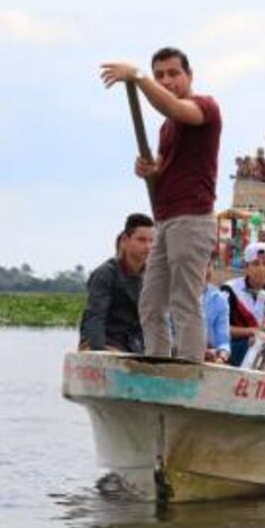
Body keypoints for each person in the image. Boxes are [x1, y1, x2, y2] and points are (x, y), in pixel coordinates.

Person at [101, 47, 221, 363]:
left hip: (193, 218)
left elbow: (173, 106)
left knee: (184, 300)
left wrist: (138, 77)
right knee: (150, 302)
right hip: (166, 220)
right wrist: (150, 170)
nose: (166, 81)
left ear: (189, 76)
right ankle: (157, 362)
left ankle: (190, 368)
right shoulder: (167, 128)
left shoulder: (204, 107)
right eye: (159, 75)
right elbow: (164, 168)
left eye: (173, 74)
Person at [79, 213, 155, 353]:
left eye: (152, 241)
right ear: (125, 241)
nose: (148, 246)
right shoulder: (105, 273)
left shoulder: (153, 276)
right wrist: (99, 351)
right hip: (109, 341)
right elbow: (95, 316)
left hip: (138, 343)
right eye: (141, 240)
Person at [221, 242, 265, 366]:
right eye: (255, 264)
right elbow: (221, 329)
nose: (261, 269)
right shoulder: (230, 290)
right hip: (231, 351)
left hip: (260, 351)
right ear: (246, 266)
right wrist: (254, 331)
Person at [201, 258, 231, 363]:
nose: (204, 270)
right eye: (198, 264)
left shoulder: (219, 299)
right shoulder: (174, 296)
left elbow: (224, 342)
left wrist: (222, 356)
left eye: (208, 265)